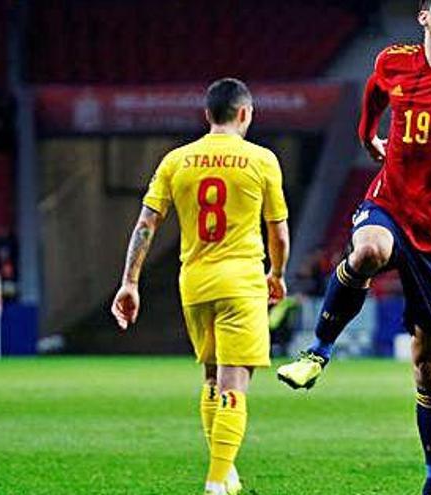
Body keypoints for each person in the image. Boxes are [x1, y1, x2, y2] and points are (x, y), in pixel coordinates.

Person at [276, 1, 431, 493]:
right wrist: (366, 133)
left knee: (430, 363)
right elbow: (373, 92)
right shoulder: (394, 60)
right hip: (391, 201)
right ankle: (318, 351)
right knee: (369, 248)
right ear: (425, 17)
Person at [110, 78, 290, 495]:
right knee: (235, 383)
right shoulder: (262, 160)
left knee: (212, 378)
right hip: (242, 282)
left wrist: (129, 283)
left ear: (208, 115)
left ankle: (225, 472)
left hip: (193, 283)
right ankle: (214, 482)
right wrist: (277, 275)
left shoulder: (176, 161)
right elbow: (277, 232)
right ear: (245, 114)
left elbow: (145, 225)